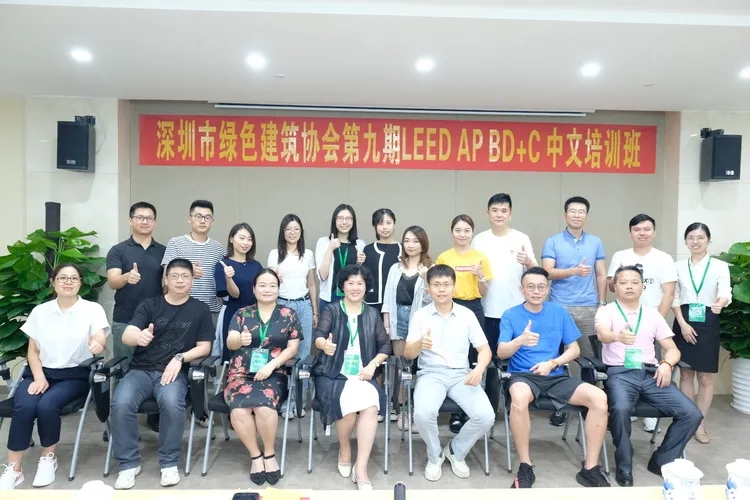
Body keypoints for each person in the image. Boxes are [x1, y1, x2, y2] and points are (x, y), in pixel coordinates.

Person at [497, 267, 610, 489]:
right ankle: (525, 465)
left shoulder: (559, 312)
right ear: (522, 290)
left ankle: (590, 468)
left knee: (599, 398)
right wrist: (520, 341)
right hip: (523, 376)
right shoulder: (510, 315)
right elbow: (501, 352)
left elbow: (574, 349)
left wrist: (553, 363)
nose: (536, 291)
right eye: (531, 287)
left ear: (548, 290)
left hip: (555, 374)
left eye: (541, 287)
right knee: (518, 398)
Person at [0, 264, 109, 490]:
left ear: (80, 283)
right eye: (62, 278)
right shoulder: (40, 311)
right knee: (25, 406)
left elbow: (100, 337)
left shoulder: (92, 309)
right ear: (53, 282)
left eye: (73, 278)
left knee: (47, 405)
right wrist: (39, 377)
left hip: (74, 376)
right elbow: (32, 351)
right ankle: (14, 469)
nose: (68, 282)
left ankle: (48, 458)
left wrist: (98, 343)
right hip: (40, 372)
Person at [110, 258, 213, 490]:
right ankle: (128, 464)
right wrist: (139, 337)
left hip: (174, 372)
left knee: (171, 403)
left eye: (185, 276)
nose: (180, 280)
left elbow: (205, 347)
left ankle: (168, 462)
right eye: (174, 276)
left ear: (192, 280)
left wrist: (180, 358)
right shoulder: (150, 305)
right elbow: (127, 334)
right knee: (121, 402)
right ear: (165, 279)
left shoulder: (200, 309)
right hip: (141, 370)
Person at [596, 265, 703, 487]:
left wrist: (666, 364)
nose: (629, 286)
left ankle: (662, 460)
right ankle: (624, 465)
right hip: (620, 373)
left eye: (634, 282)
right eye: (623, 282)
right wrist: (617, 336)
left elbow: (673, 350)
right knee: (620, 409)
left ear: (642, 287)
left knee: (692, 413)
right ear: (615, 286)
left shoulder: (653, 314)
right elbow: (603, 334)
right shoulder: (606, 311)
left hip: (651, 373)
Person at [404, 264, 495, 481]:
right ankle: (435, 455)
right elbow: (408, 353)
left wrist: (479, 368)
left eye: (446, 284)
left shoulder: (467, 315)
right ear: (429, 288)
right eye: (436, 285)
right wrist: (420, 344)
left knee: (486, 416)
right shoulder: (420, 316)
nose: (441, 289)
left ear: (454, 287)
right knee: (423, 414)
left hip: (461, 374)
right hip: (430, 374)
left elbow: (484, 350)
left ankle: (455, 451)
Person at [312, 265, 392, 490]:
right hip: (333, 372)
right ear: (342, 286)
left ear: (366, 287)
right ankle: (345, 449)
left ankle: (361, 468)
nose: (355, 287)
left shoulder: (372, 314)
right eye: (350, 283)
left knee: (370, 406)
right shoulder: (332, 310)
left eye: (360, 283)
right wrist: (323, 345)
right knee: (346, 404)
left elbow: (385, 345)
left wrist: (373, 364)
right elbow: (319, 335)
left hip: (362, 373)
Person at [224, 269, 301, 486]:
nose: (267, 289)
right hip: (240, 373)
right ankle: (255, 456)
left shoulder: (288, 314)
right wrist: (239, 340)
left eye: (272, 285)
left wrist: (272, 365)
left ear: (278, 289)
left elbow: (293, 348)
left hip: (274, 372)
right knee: (239, 410)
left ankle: (269, 453)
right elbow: (230, 342)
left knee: (264, 407)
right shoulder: (242, 314)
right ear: (254, 289)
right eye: (262, 285)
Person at [607, 213, 677, 433]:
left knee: (650, 368)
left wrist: (656, 322)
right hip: (623, 324)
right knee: (626, 369)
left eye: (646, 229)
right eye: (637, 229)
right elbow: (611, 286)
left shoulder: (664, 258)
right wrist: (619, 277)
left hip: (651, 324)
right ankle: (629, 407)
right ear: (630, 233)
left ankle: (651, 415)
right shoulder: (620, 255)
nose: (642, 233)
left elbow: (669, 292)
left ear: (654, 232)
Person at [541, 196, 607, 427]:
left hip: (589, 307)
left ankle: (591, 403)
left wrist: (601, 303)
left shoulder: (596, 242)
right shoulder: (553, 241)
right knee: (560, 357)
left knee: (589, 357)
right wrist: (574, 271)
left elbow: (601, 274)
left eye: (581, 211)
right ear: (565, 215)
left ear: (586, 216)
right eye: (572, 211)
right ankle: (560, 406)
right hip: (559, 306)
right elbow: (547, 272)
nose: (577, 215)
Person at [105, 202, 165, 435]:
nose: (144, 221)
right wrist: (126, 277)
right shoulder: (118, 250)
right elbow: (112, 281)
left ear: (155, 223)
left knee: (157, 369)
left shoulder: (163, 251)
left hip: (156, 322)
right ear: (130, 221)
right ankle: (116, 421)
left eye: (149, 218)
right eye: (140, 217)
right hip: (125, 319)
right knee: (123, 371)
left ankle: (154, 416)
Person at [672, 223, 731, 444]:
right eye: (691, 237)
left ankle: (700, 424)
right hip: (684, 319)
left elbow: (725, 291)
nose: (695, 242)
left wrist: (721, 302)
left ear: (708, 240)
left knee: (705, 376)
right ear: (686, 241)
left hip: (708, 319)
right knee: (685, 374)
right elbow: (674, 296)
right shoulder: (678, 266)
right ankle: (688, 419)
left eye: (700, 237)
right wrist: (682, 323)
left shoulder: (719, 266)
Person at [436, 214, 492, 433]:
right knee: (452, 355)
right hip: (449, 306)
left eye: (466, 230)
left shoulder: (480, 257)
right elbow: (437, 286)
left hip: (474, 307)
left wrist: (480, 276)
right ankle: (453, 413)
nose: (462, 234)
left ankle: (468, 409)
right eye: (458, 230)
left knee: (471, 357)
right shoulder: (444, 256)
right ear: (452, 232)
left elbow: (484, 292)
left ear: (472, 232)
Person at [382, 225, 432, 431]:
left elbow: (432, 301)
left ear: (423, 244)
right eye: (407, 241)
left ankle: (418, 411)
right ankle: (401, 408)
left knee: (421, 367)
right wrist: (386, 321)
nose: (411, 245)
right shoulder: (396, 268)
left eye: (415, 241)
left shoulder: (430, 268)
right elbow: (388, 296)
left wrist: (426, 280)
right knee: (401, 366)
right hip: (398, 319)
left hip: (420, 320)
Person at [267, 214, 318, 419]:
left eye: (296, 229)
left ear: (301, 232)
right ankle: (281, 399)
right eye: (288, 229)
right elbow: (270, 283)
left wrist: (315, 311)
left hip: (304, 305)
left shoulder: (308, 254)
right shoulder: (274, 254)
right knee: (281, 353)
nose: (292, 232)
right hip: (282, 306)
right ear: (282, 232)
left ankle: (298, 401)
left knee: (303, 355)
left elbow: (311, 284)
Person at [472, 193, 536, 353]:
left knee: (516, 355)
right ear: (487, 214)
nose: (499, 214)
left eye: (503, 211)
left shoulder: (521, 238)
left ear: (510, 214)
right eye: (494, 210)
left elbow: (535, 273)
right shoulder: (478, 240)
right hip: (487, 309)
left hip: (516, 309)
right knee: (488, 356)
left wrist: (527, 261)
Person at [162, 200, 225, 323]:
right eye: (198, 216)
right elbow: (165, 277)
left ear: (213, 221)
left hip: (211, 311)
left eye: (207, 217)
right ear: (189, 219)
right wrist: (187, 271)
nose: (203, 221)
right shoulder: (176, 243)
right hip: (180, 309)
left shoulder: (218, 248)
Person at [214, 223, 263, 363]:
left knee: (254, 354)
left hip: (255, 315)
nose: (245, 243)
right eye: (241, 238)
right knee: (231, 355)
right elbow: (234, 295)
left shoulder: (256, 265)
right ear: (231, 239)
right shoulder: (223, 265)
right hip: (232, 314)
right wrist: (229, 278)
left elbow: (262, 292)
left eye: (249, 239)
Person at [315, 204, 366, 312]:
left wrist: (359, 263)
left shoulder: (359, 244)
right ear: (334, 220)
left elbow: (361, 275)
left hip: (352, 298)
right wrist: (330, 249)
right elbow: (322, 276)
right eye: (340, 218)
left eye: (348, 218)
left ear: (353, 221)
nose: (344, 222)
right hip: (330, 299)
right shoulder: (324, 242)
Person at [363, 208, 402, 313]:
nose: (385, 227)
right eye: (380, 223)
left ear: (394, 224)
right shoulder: (368, 249)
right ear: (375, 226)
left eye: (388, 223)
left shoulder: (403, 249)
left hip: (397, 304)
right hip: (373, 303)